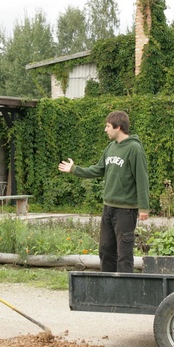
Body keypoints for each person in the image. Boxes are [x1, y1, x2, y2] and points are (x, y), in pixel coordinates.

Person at [58, 110, 150, 273]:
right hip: (108, 208)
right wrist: (74, 169)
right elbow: (99, 169)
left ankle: (124, 291)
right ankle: (108, 288)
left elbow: (142, 179)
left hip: (126, 211)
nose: (105, 130)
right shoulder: (111, 147)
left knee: (124, 255)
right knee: (106, 251)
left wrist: (143, 208)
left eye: (108, 126)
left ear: (118, 127)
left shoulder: (135, 149)